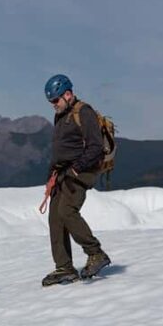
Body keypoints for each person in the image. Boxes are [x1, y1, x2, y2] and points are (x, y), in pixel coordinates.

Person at [42, 74, 111, 286]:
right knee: (55, 217)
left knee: (67, 211)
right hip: (61, 174)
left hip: (80, 171)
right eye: (50, 102)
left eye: (55, 100)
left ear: (68, 94)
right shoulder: (62, 116)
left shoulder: (84, 112)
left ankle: (96, 253)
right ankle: (64, 267)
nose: (53, 105)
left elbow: (95, 147)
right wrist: (51, 178)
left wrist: (75, 169)